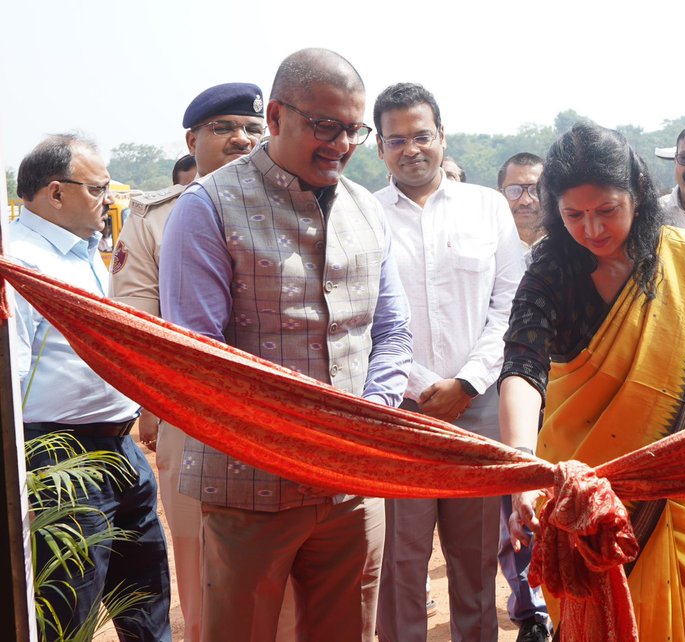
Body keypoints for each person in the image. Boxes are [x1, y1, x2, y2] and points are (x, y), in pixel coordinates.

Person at [159, 48, 413, 642]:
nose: (341, 145)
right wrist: (296, 438)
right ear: (275, 117)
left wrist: (373, 412)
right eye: (325, 126)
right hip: (248, 484)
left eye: (354, 130)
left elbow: (392, 331)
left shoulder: (366, 210)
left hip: (351, 485)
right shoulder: (207, 208)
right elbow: (201, 359)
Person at [502, 122, 685, 640]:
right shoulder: (549, 271)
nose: (592, 229)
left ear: (637, 192)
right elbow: (523, 365)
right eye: (573, 215)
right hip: (581, 493)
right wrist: (523, 463)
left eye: (607, 210)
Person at [110, 81, 267, 642]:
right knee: (207, 580)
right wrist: (158, 405)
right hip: (194, 418)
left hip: (282, 418)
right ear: (192, 140)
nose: (241, 139)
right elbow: (137, 325)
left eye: (252, 128)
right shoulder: (155, 217)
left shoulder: (300, 205)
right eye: (223, 128)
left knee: (301, 588)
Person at [371, 82, 525, 642]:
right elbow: (364, 315)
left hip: (477, 410)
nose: (411, 149)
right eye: (396, 140)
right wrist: (420, 385)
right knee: (399, 565)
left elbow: (509, 305)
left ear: (442, 135)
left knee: (476, 561)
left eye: (422, 136)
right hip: (398, 412)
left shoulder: (487, 207)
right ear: (379, 148)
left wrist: (467, 381)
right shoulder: (362, 213)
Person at [13, 133, 171, 641]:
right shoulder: (18, 261)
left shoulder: (87, 256)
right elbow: (10, 376)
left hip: (121, 448)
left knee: (147, 608)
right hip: (58, 457)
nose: (108, 200)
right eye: (99, 189)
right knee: (69, 616)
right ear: (56, 193)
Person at [493, 150, 553, 638]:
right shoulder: (490, 246)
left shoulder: (571, 245)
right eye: (515, 189)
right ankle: (530, 611)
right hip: (506, 392)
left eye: (535, 188)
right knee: (515, 506)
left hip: (562, 393)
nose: (526, 199)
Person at [498, 152, 545, 255]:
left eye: (535, 190)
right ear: (499, 195)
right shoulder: (486, 246)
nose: (525, 201)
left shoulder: (570, 245)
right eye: (514, 191)